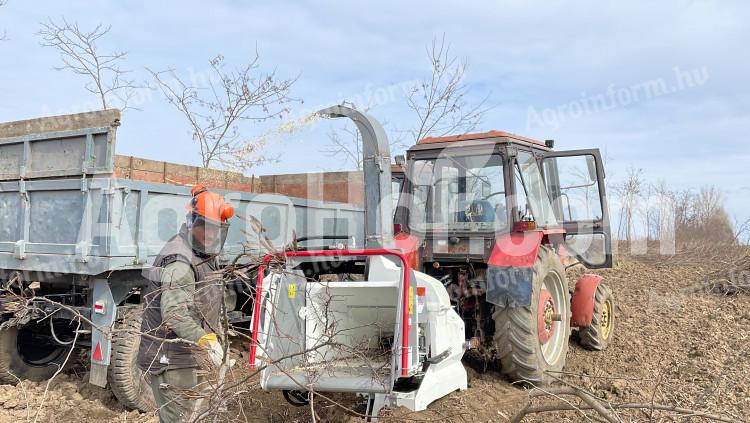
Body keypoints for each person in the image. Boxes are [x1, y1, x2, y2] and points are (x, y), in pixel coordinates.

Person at [137, 185, 235, 422]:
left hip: (186, 355)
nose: (211, 235)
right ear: (192, 223)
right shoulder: (180, 261)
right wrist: (205, 340)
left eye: (216, 230)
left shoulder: (202, 253)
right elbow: (174, 313)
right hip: (171, 360)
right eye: (206, 229)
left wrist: (216, 335)